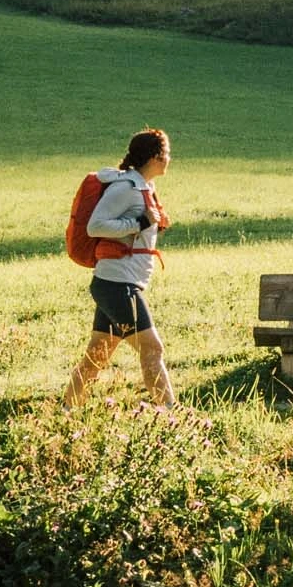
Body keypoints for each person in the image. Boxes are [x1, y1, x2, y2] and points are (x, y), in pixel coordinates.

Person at [65, 127, 177, 408]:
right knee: (152, 348)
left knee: (97, 355)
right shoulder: (125, 189)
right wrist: (138, 223)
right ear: (155, 156)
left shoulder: (144, 188)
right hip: (117, 285)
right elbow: (95, 226)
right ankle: (172, 414)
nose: (170, 159)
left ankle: (66, 411)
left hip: (115, 283)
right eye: (167, 154)